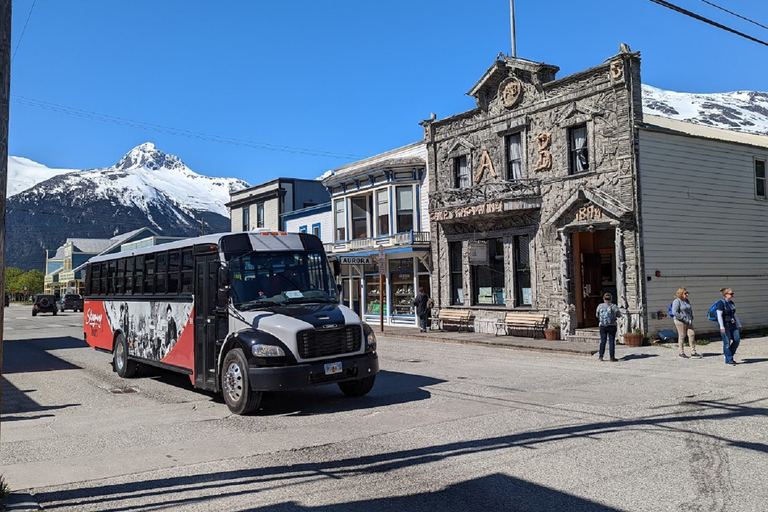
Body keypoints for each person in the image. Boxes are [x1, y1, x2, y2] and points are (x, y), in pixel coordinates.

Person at [672, 287, 701, 359]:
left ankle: (693, 352)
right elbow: (674, 312)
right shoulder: (677, 301)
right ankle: (681, 352)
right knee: (682, 335)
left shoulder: (687, 301)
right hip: (680, 321)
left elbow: (689, 310)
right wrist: (683, 318)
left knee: (691, 334)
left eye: (688, 293)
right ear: (681, 294)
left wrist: (691, 317)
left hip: (688, 320)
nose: (687, 294)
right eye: (685, 293)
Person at [716, 288, 742, 366]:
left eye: (733, 294)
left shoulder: (731, 303)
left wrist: (739, 324)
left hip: (732, 324)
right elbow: (719, 315)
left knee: (736, 340)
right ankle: (729, 360)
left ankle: (728, 354)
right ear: (725, 295)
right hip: (725, 325)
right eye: (731, 294)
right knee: (727, 342)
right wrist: (721, 327)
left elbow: (734, 314)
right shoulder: (721, 303)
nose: (732, 295)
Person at [596, 292, 621, 362]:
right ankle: (612, 357)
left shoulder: (600, 306)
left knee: (603, 341)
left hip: (602, 325)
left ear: (604, 299)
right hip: (612, 325)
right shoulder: (614, 306)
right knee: (611, 341)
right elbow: (619, 315)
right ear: (611, 299)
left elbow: (597, 315)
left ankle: (601, 356)